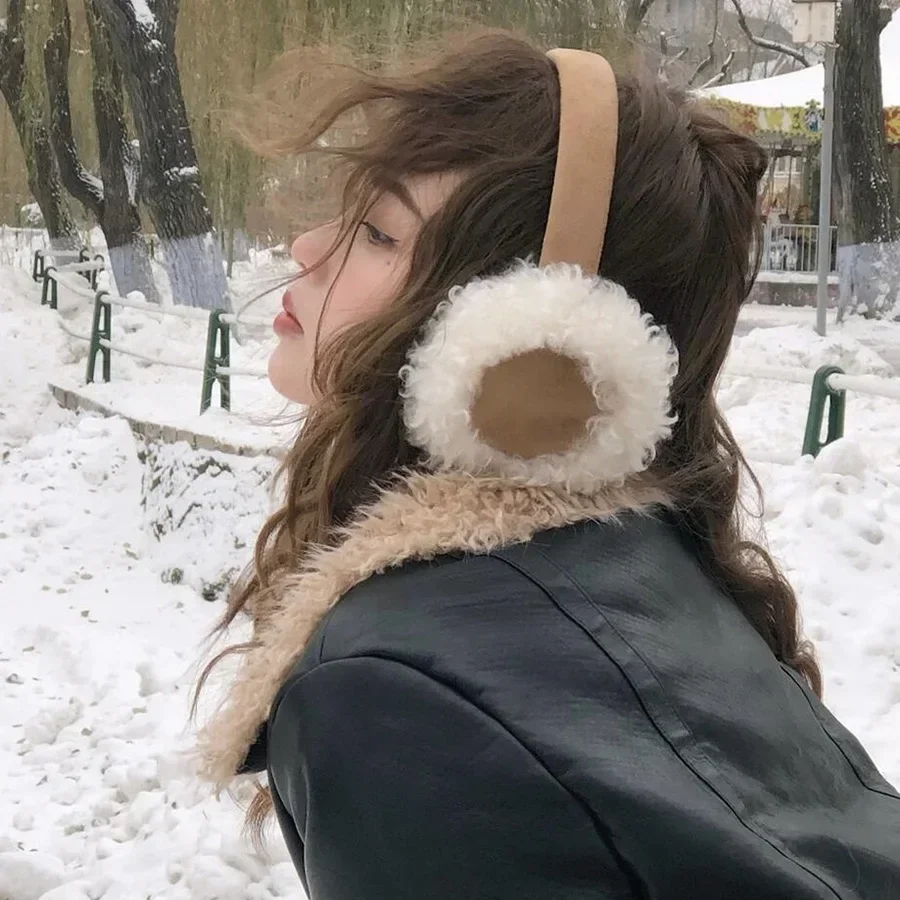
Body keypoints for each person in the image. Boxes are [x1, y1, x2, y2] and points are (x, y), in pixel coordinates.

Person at [196, 31, 900, 899]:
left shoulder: (398, 691)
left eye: (377, 231)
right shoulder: (649, 565)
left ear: (535, 342)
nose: (307, 247)